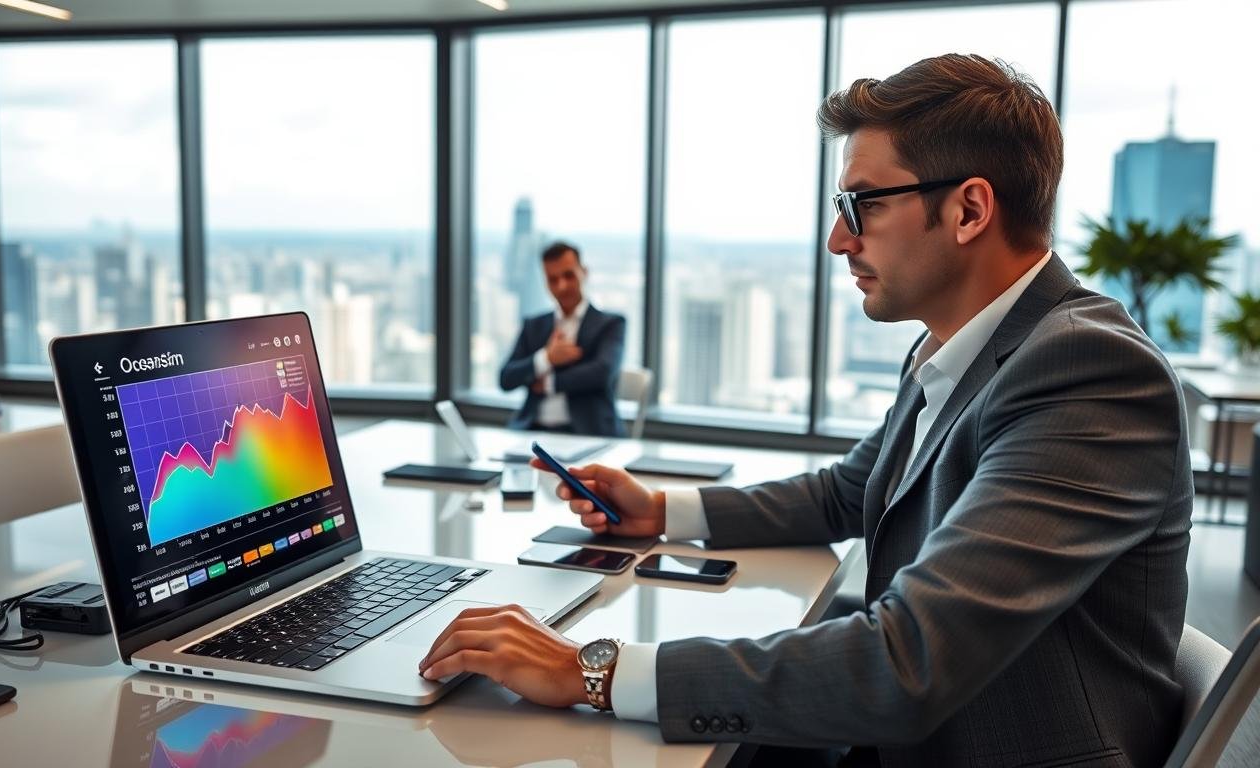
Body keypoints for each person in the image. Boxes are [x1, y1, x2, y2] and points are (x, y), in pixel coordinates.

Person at [423, 54, 1191, 768]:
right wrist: (660, 508)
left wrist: (590, 669)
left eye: (860, 205)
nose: (836, 239)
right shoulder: (958, 345)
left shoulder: (1089, 372)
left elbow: (907, 663)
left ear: (968, 210)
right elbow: (849, 493)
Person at [499, 241, 626, 437]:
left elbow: (602, 372)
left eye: (569, 276)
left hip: (588, 433)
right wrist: (546, 358)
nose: (562, 286)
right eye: (552, 279)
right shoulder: (534, 326)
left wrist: (549, 383)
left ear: (584, 272)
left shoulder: (610, 324)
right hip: (532, 431)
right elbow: (506, 378)